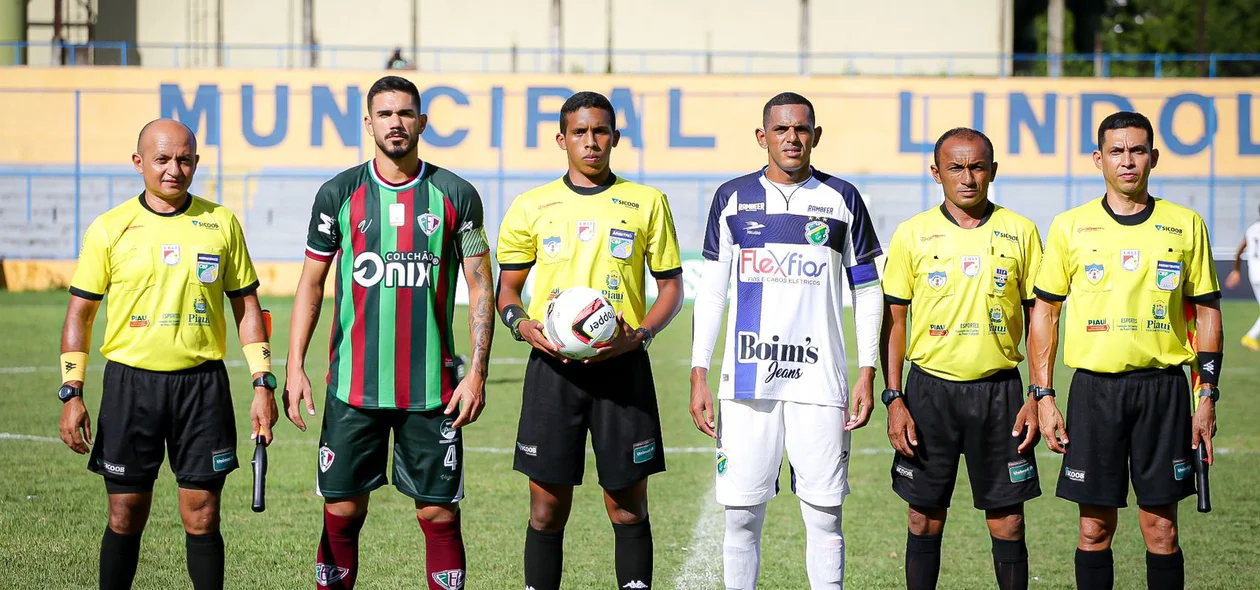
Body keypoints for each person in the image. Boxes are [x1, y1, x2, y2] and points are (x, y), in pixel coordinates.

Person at [283, 75, 494, 590]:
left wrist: (477, 374)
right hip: (353, 387)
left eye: (405, 114)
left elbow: (481, 286)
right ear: (369, 123)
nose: (395, 123)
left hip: (433, 391)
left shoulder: (456, 194)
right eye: (385, 114)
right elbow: (311, 285)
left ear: (421, 122)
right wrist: (294, 368)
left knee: (438, 516)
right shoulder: (338, 193)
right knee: (343, 509)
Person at [57, 118, 277, 590]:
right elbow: (80, 314)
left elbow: (247, 307)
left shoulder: (221, 222)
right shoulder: (110, 228)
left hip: (202, 387)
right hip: (130, 385)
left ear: (196, 162)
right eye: (162, 159)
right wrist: (71, 391)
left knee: (202, 514)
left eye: (183, 159)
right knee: (124, 512)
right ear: (139, 163)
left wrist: (262, 382)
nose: (173, 169)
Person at [688, 92, 881, 590]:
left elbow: (866, 288)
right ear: (762, 136)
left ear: (816, 136)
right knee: (741, 514)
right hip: (748, 381)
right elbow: (711, 290)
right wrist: (698, 370)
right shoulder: (732, 197)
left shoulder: (842, 197)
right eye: (781, 129)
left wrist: (867, 369)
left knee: (824, 514)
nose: (792, 138)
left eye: (801, 129)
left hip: (820, 379)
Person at [495, 91, 684, 590]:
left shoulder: (648, 202)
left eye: (600, 131)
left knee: (627, 508)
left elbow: (671, 289)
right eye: (579, 132)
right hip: (552, 371)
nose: (590, 141)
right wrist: (521, 325)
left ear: (615, 138)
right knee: (546, 510)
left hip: (623, 370)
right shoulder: (531, 206)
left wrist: (640, 335)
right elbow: (507, 292)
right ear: (562, 140)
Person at [1028, 111, 1222, 590]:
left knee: (1162, 529)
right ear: (1099, 159)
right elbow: (1044, 315)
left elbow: (1208, 313)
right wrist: (1044, 395)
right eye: (1117, 151)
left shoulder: (1186, 224)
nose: (1128, 160)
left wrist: (1207, 394)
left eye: (1137, 150)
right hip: (1095, 392)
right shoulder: (1070, 226)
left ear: (1153, 157)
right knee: (1094, 528)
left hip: (1164, 392)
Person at [880, 128, 1043, 590]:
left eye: (976, 167)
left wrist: (1037, 393)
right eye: (956, 167)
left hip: (1001, 393)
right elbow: (893, 323)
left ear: (992, 170)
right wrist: (894, 397)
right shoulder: (912, 234)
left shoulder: (1021, 231)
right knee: (922, 519)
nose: (967, 177)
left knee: (1008, 521)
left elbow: (1040, 323)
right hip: (929, 391)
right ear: (936, 172)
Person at [1224, 208, 1260, 350]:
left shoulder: (1251, 229)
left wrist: (1236, 270)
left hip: (1254, 274)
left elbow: (1239, 251)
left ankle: (1251, 337)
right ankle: (1250, 336)